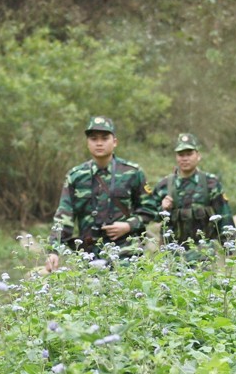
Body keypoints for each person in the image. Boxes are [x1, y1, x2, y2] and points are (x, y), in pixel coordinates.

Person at [46, 116, 156, 271]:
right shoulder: (76, 176)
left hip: (125, 253)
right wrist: (53, 250)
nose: (99, 143)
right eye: (93, 138)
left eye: (105, 138)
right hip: (88, 254)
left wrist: (128, 225)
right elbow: (64, 216)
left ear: (115, 142)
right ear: (87, 143)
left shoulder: (133, 172)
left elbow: (149, 209)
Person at [151, 133, 235, 262]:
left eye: (189, 154)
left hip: (203, 253)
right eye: (181, 155)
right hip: (172, 254)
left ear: (198, 156)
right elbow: (151, 215)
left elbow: (224, 216)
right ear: (176, 157)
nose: (185, 159)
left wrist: (229, 249)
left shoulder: (210, 183)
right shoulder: (164, 185)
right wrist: (162, 208)